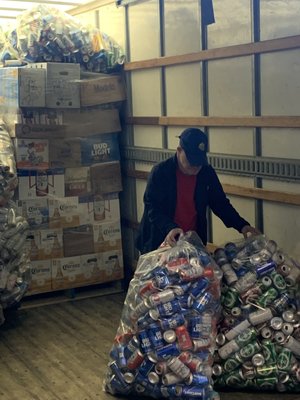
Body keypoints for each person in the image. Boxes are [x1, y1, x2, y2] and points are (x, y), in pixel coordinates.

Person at [136, 127, 260, 254]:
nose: (195, 168)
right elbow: (153, 208)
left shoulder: (206, 172)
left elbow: (220, 203)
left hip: (192, 243)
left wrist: (242, 225)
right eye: (191, 162)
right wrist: (170, 228)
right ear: (179, 151)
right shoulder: (161, 172)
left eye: (198, 163)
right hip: (161, 241)